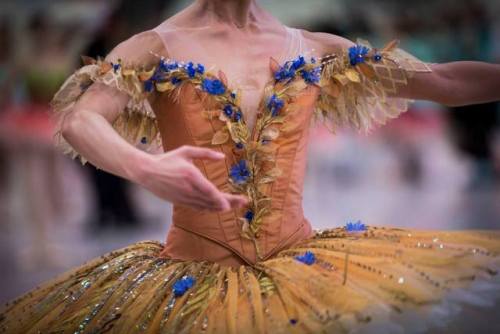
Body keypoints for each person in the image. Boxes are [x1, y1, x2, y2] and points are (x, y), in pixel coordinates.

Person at [2, 1, 500, 333]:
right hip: (192, 280)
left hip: (303, 269)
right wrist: (147, 169)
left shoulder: (315, 46)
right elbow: (81, 118)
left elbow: (446, 82)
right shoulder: (155, 44)